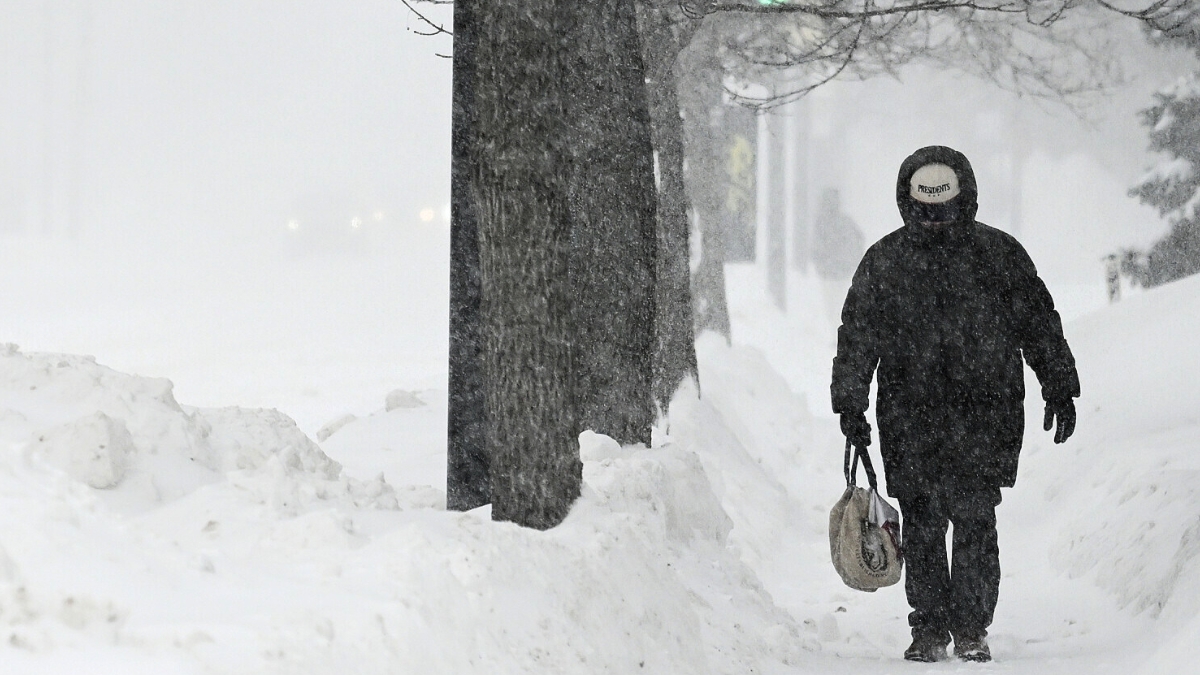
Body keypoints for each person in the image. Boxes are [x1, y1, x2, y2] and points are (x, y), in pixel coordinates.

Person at [830, 146, 1080, 663]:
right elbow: (857, 338)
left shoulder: (995, 256)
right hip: (918, 417)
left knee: (974, 520)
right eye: (926, 211)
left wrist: (1059, 383)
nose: (935, 222)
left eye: (943, 210)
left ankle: (968, 628)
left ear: (963, 201)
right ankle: (930, 627)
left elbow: (1038, 324)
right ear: (909, 203)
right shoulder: (889, 262)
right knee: (925, 522)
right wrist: (849, 404)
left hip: (978, 417)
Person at [812, 188, 865, 332]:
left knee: (831, 304)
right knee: (839, 301)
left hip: (828, 271)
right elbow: (859, 240)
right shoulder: (845, 221)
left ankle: (835, 330)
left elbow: (816, 247)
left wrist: (820, 262)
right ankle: (840, 329)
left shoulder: (821, 223)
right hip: (842, 270)